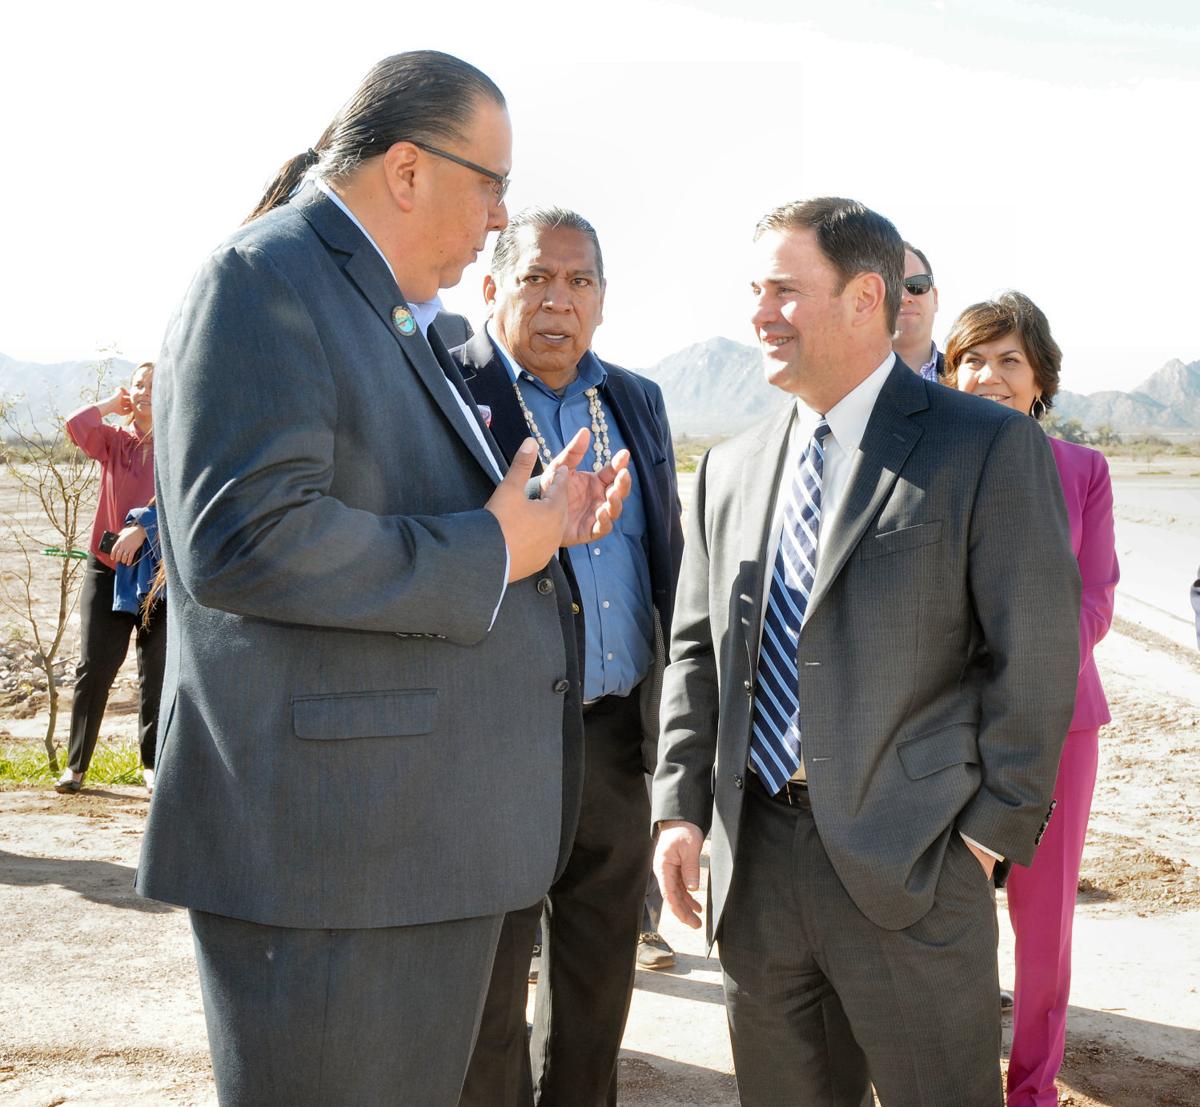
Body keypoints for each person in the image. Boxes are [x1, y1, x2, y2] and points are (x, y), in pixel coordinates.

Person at [135, 51, 630, 1107]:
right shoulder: (263, 278)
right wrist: (496, 549)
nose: (500, 218)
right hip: (331, 866)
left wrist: (532, 527)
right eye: (490, 183)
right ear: (407, 170)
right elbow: (247, 536)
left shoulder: (370, 301)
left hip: (394, 854)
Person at [651, 197, 1081, 1106]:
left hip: (917, 869)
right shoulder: (729, 467)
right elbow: (696, 652)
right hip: (757, 872)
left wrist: (984, 837)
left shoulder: (985, 446)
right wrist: (679, 809)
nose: (760, 313)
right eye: (754, 291)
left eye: (783, 290)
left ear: (863, 297)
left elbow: (1034, 657)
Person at [454, 205, 683, 1107]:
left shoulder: (635, 398)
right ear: (491, 289)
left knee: (596, 987)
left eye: (580, 281)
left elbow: (662, 555)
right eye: (537, 279)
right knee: (491, 996)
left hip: (617, 741)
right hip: (496, 743)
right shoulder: (447, 388)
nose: (559, 301)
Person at [945, 291, 1119, 1107]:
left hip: (1060, 724)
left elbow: (1097, 600)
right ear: (949, 373)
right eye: (973, 358)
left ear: (1040, 377)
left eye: (1010, 359)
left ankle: (1034, 1088)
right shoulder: (929, 467)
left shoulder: (1082, 471)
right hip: (944, 725)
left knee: (1042, 923)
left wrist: (1025, 676)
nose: (990, 375)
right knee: (947, 914)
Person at [57, 362, 163, 795]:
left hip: (157, 574)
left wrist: (144, 527)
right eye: (139, 385)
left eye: (155, 385)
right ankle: (75, 767)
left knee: (154, 671)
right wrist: (110, 403)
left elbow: (184, 499)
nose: (144, 392)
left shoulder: (179, 442)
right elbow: (76, 425)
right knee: (93, 668)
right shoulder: (116, 441)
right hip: (106, 566)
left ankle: (152, 766)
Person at [892, 241, 943, 381]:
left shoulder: (970, 379)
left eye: (916, 284)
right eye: (892, 287)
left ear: (935, 298)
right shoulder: (841, 383)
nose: (904, 298)